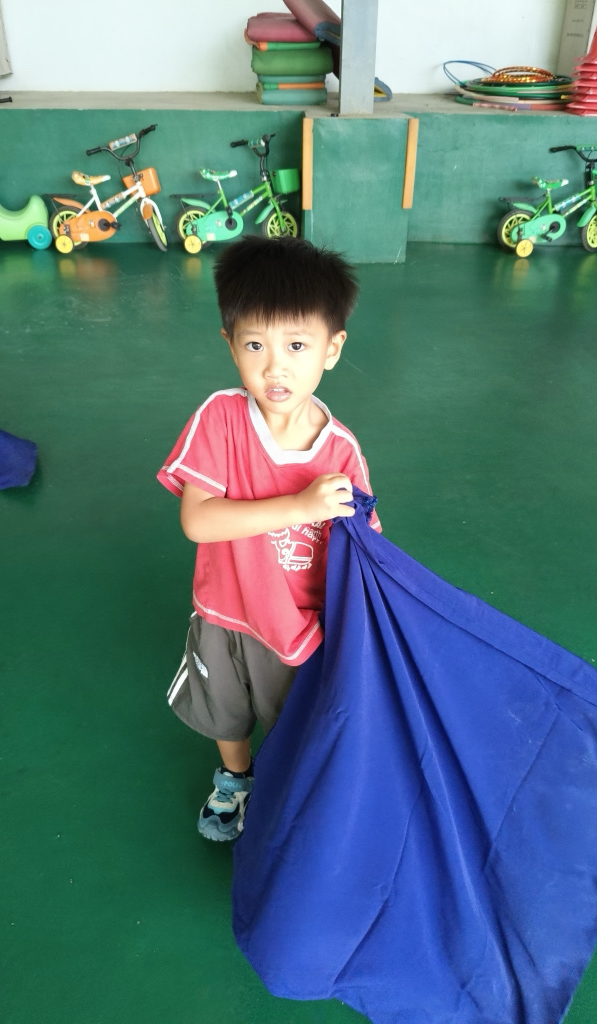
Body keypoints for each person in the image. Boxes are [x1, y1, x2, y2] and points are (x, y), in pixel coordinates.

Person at [157, 235, 381, 841]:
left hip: (296, 625)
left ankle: (283, 785)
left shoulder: (341, 451)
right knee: (225, 710)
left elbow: (363, 551)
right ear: (229, 343)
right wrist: (299, 506)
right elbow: (198, 520)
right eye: (255, 344)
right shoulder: (221, 419)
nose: (275, 366)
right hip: (224, 611)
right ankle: (235, 779)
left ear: (332, 349)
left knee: (293, 719)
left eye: (296, 345)